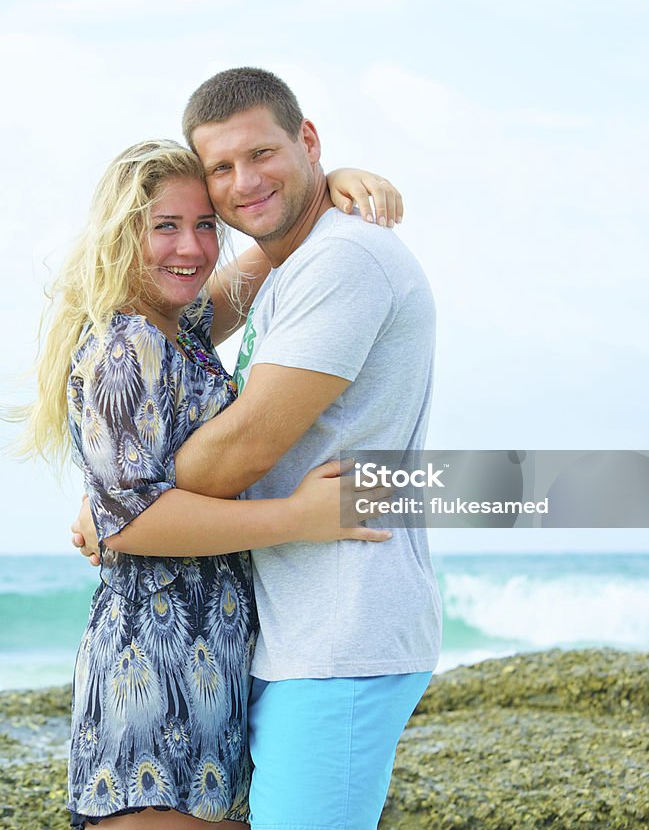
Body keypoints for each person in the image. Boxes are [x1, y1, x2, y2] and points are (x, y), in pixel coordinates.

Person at [74, 68, 441, 830]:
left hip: (339, 631)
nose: (242, 185)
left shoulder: (337, 262)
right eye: (222, 171)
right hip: (269, 640)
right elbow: (210, 310)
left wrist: (127, 498)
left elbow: (239, 451)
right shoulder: (255, 284)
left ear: (307, 139)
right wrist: (120, 494)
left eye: (264, 154)